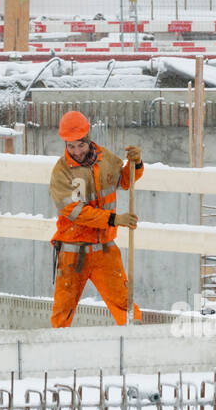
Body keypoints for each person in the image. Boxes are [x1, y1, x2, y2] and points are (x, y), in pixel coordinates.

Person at [48, 110, 144, 328]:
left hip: (104, 250)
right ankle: (56, 354)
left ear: (88, 139)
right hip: (73, 253)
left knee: (124, 305)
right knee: (63, 311)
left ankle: (135, 345)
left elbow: (126, 182)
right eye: (70, 146)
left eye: (80, 145)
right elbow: (75, 212)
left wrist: (135, 164)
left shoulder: (107, 159)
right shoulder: (61, 172)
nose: (76, 151)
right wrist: (113, 219)